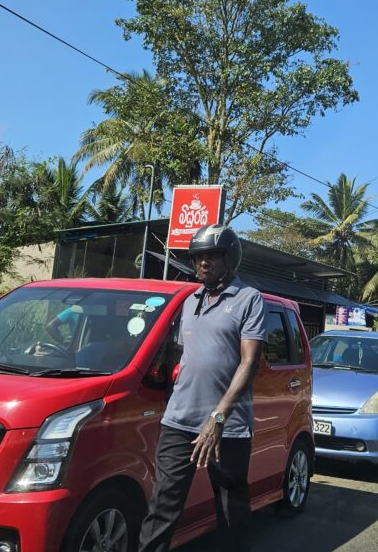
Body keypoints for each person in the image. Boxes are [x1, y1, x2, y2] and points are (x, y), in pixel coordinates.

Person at [138, 224, 265, 552]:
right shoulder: (189, 301)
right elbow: (180, 355)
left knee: (230, 509)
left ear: (229, 258)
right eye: (198, 257)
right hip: (178, 422)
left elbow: (249, 363)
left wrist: (218, 419)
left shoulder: (249, 300)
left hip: (228, 428)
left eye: (212, 256)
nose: (203, 263)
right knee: (162, 507)